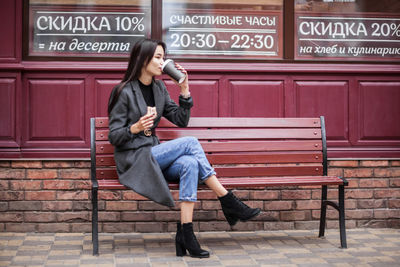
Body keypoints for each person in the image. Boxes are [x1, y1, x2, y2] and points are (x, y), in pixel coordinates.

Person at [107, 38, 261, 258]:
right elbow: (114, 136)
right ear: (143, 59)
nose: (162, 62)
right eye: (158, 57)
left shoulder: (159, 88)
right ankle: (227, 199)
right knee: (190, 142)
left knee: (189, 163)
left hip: (154, 156)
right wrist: (136, 127)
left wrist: (184, 89)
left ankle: (186, 234)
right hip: (135, 160)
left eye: (163, 57)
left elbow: (181, 120)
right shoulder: (123, 91)